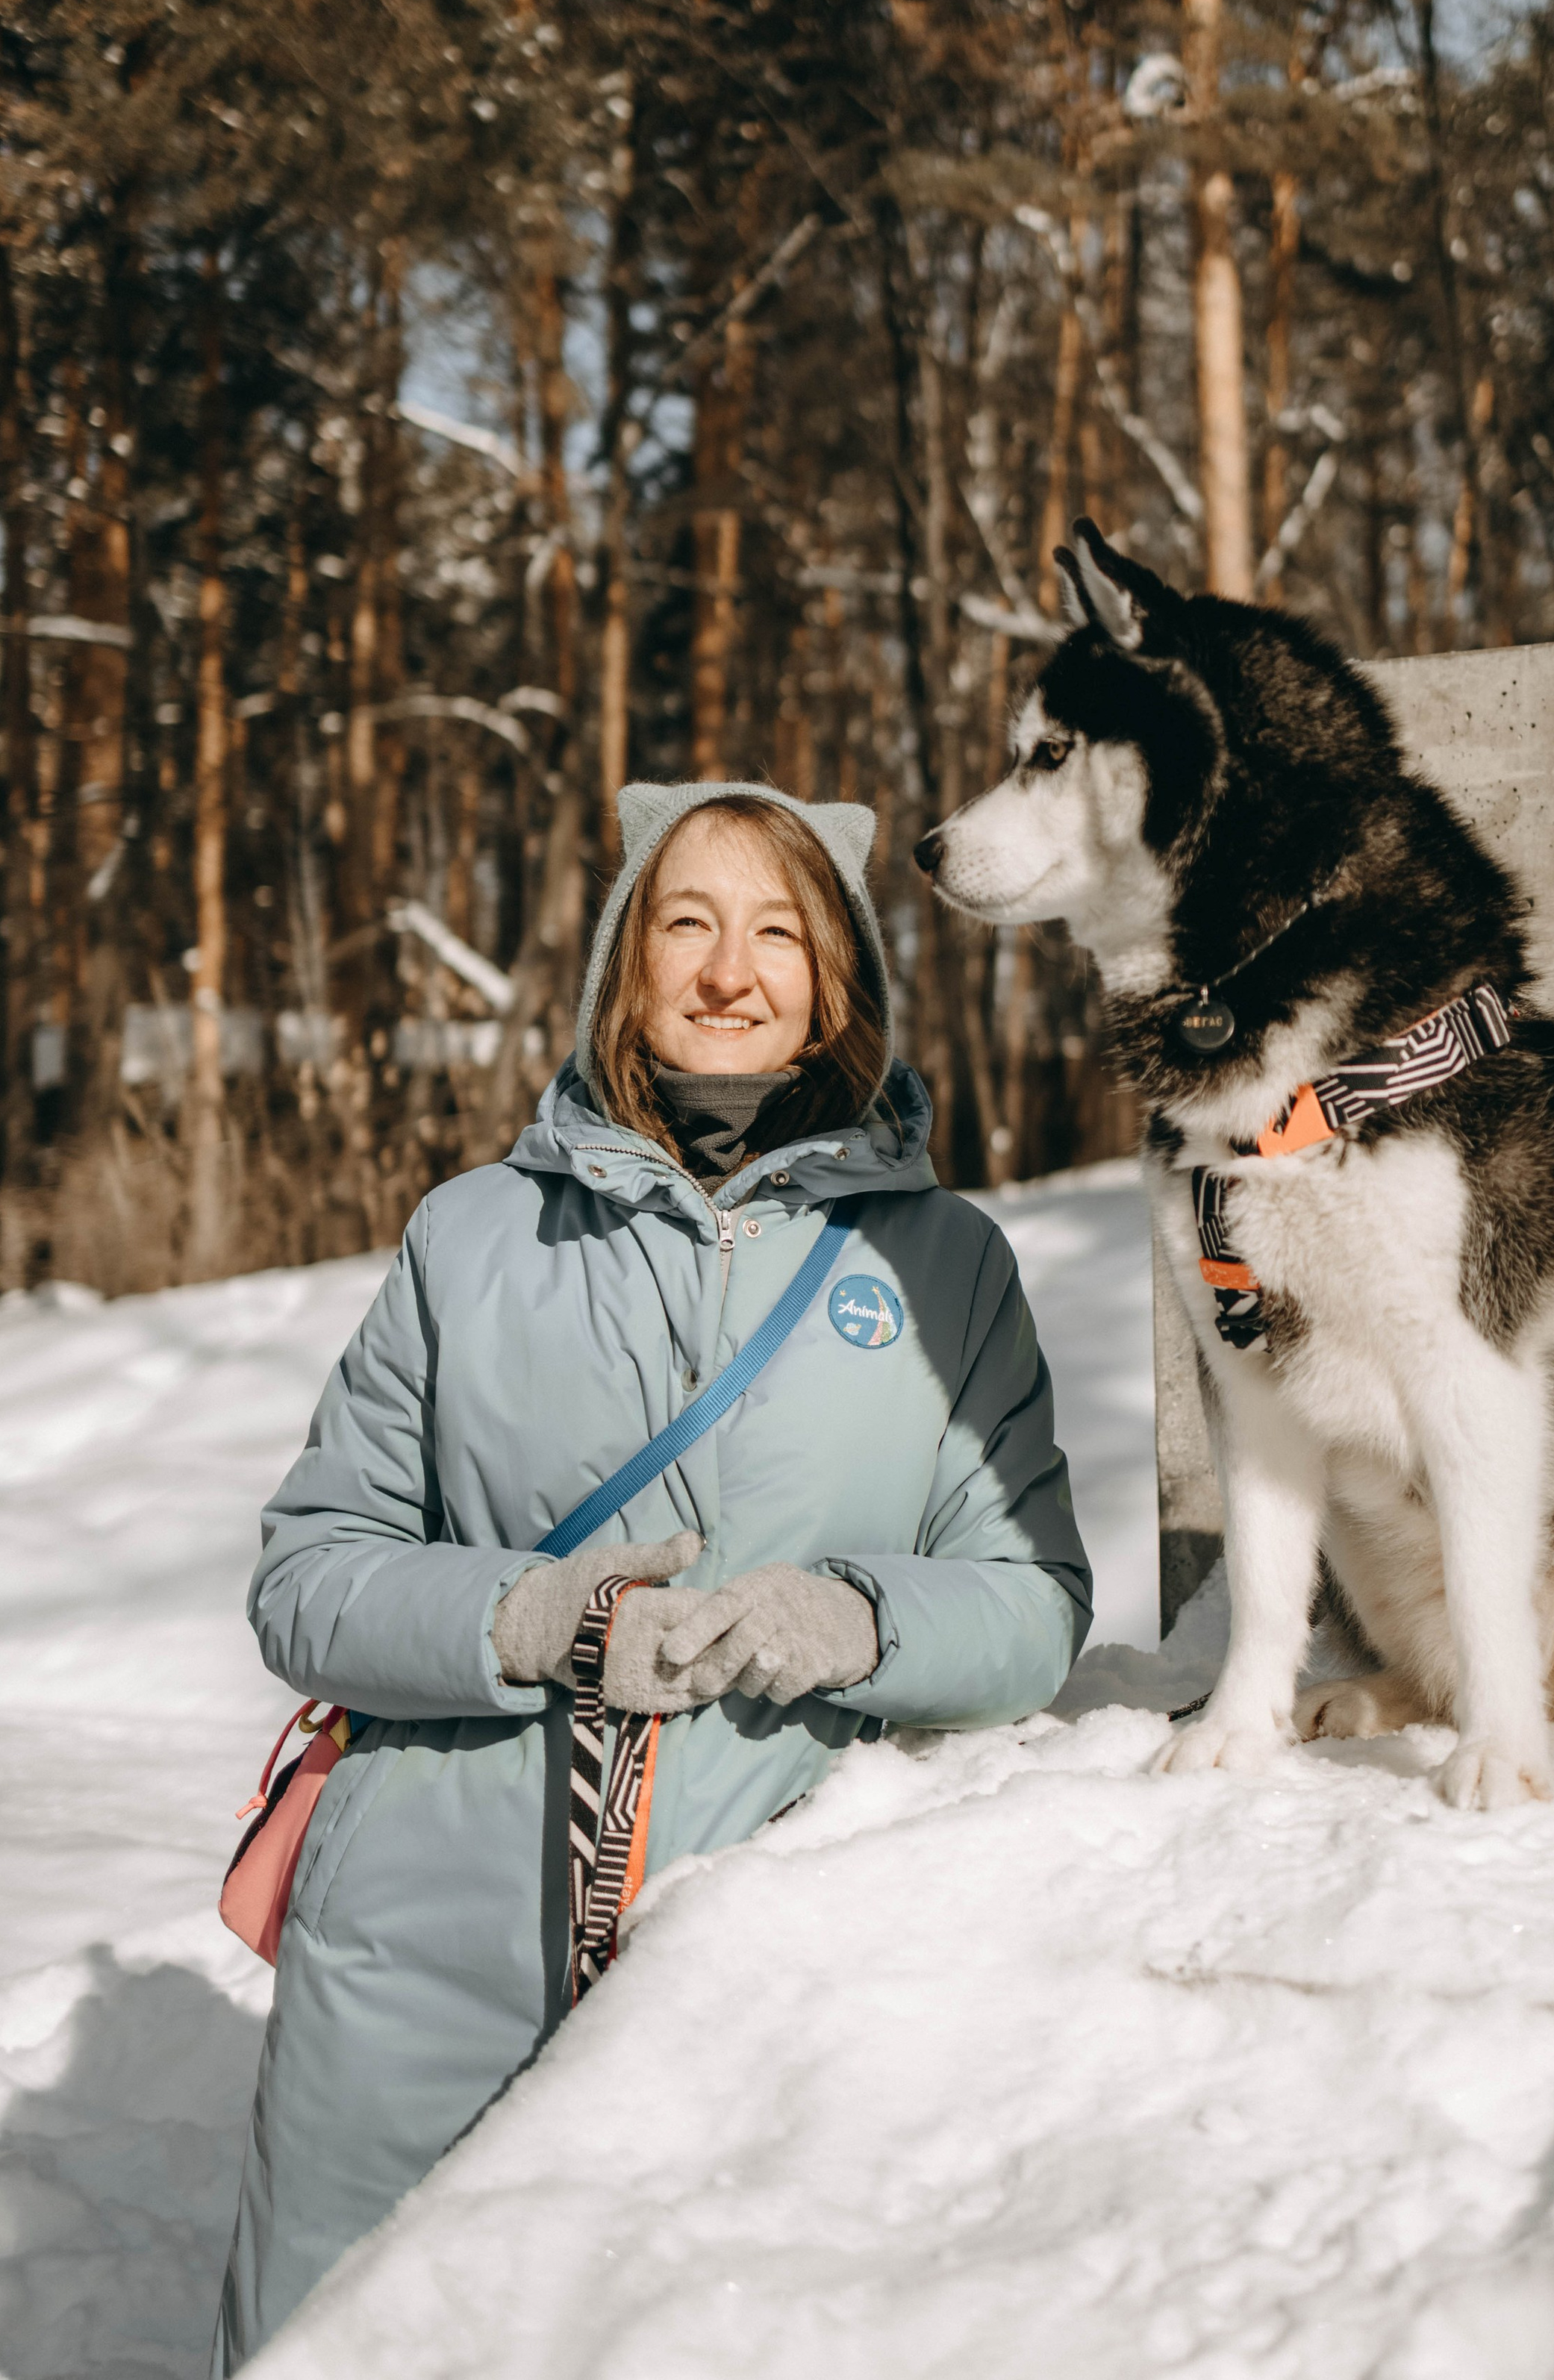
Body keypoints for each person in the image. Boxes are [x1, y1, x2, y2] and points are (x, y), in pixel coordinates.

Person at [212, 781, 1092, 2369]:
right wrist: (518, 1618)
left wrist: (857, 1616)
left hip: (749, 1983)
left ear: (837, 985)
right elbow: (307, 1574)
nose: (727, 970)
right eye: (685, 922)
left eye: (778, 932)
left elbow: (1031, 1603)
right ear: (625, 961)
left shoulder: (941, 1263)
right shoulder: (471, 1238)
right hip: (421, 1957)